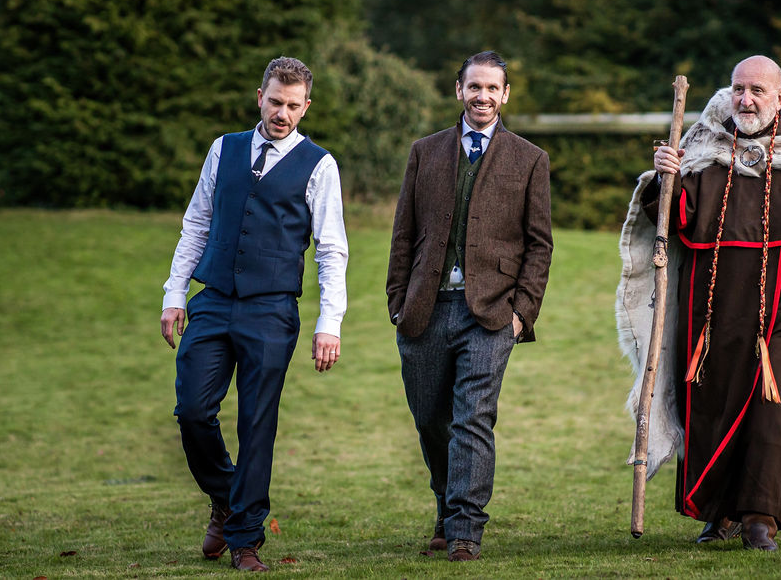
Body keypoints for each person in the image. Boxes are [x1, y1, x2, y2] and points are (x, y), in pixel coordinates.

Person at [617, 56, 781, 551]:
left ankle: (761, 519)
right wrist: (664, 178)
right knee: (709, 410)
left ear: (780, 96)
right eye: (738, 89)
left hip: (780, 309)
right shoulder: (704, 144)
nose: (746, 99)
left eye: (757, 90)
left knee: (771, 415)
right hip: (708, 312)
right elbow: (679, 220)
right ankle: (718, 514)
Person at [160, 56, 348, 572]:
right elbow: (197, 220)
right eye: (274, 101)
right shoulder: (224, 148)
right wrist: (175, 293)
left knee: (257, 424)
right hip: (214, 300)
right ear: (259, 97)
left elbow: (331, 249)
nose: (282, 113)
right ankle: (226, 498)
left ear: (306, 106)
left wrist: (328, 323)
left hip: (271, 311)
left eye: (293, 105)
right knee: (193, 411)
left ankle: (245, 538)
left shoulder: (319, 165)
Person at [386, 51, 553, 561]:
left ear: (505, 95)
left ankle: (464, 530)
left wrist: (521, 312)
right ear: (458, 90)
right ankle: (446, 501)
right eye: (473, 87)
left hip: (492, 313)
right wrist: (398, 302)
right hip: (426, 309)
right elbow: (404, 233)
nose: (482, 96)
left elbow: (539, 244)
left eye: (492, 89)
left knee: (473, 417)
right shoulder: (425, 152)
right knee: (430, 419)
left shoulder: (529, 159)